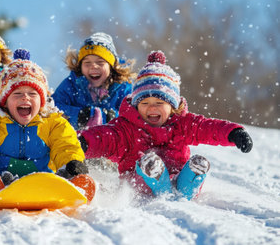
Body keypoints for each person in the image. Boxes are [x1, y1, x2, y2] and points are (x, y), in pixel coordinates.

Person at [78, 51, 253, 200]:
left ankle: (191, 177)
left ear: (172, 105)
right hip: (140, 183)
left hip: (177, 177)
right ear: (136, 105)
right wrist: (83, 143)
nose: (152, 107)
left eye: (159, 102)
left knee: (186, 175)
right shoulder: (126, 128)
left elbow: (208, 127)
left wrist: (233, 133)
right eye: (145, 102)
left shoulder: (183, 124)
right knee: (143, 170)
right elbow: (105, 137)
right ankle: (154, 174)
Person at [0, 50, 95, 206]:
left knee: (74, 174)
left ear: (42, 101)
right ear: (4, 101)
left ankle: (76, 185)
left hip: (43, 182)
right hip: (0, 184)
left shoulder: (53, 123)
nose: (25, 97)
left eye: (32, 93)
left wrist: (73, 163)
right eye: (17, 93)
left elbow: (66, 145)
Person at [52, 32, 137, 130]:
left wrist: (110, 117)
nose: (93, 66)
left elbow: (133, 116)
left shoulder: (122, 88)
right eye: (87, 63)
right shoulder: (72, 84)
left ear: (111, 67)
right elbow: (54, 107)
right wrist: (80, 116)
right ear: (80, 67)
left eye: (100, 62)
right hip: (76, 140)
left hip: (113, 141)